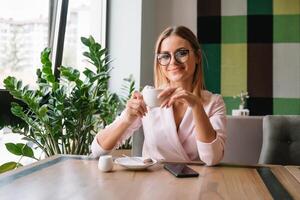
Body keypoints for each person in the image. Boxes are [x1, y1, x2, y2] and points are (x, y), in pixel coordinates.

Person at [91, 26, 226, 166]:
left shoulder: (213, 103)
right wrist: (127, 118)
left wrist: (196, 106)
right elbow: (97, 150)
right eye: (165, 56)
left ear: (197, 56)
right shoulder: (149, 98)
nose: (173, 61)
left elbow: (212, 158)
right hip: (153, 182)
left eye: (181, 53)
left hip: (195, 182)